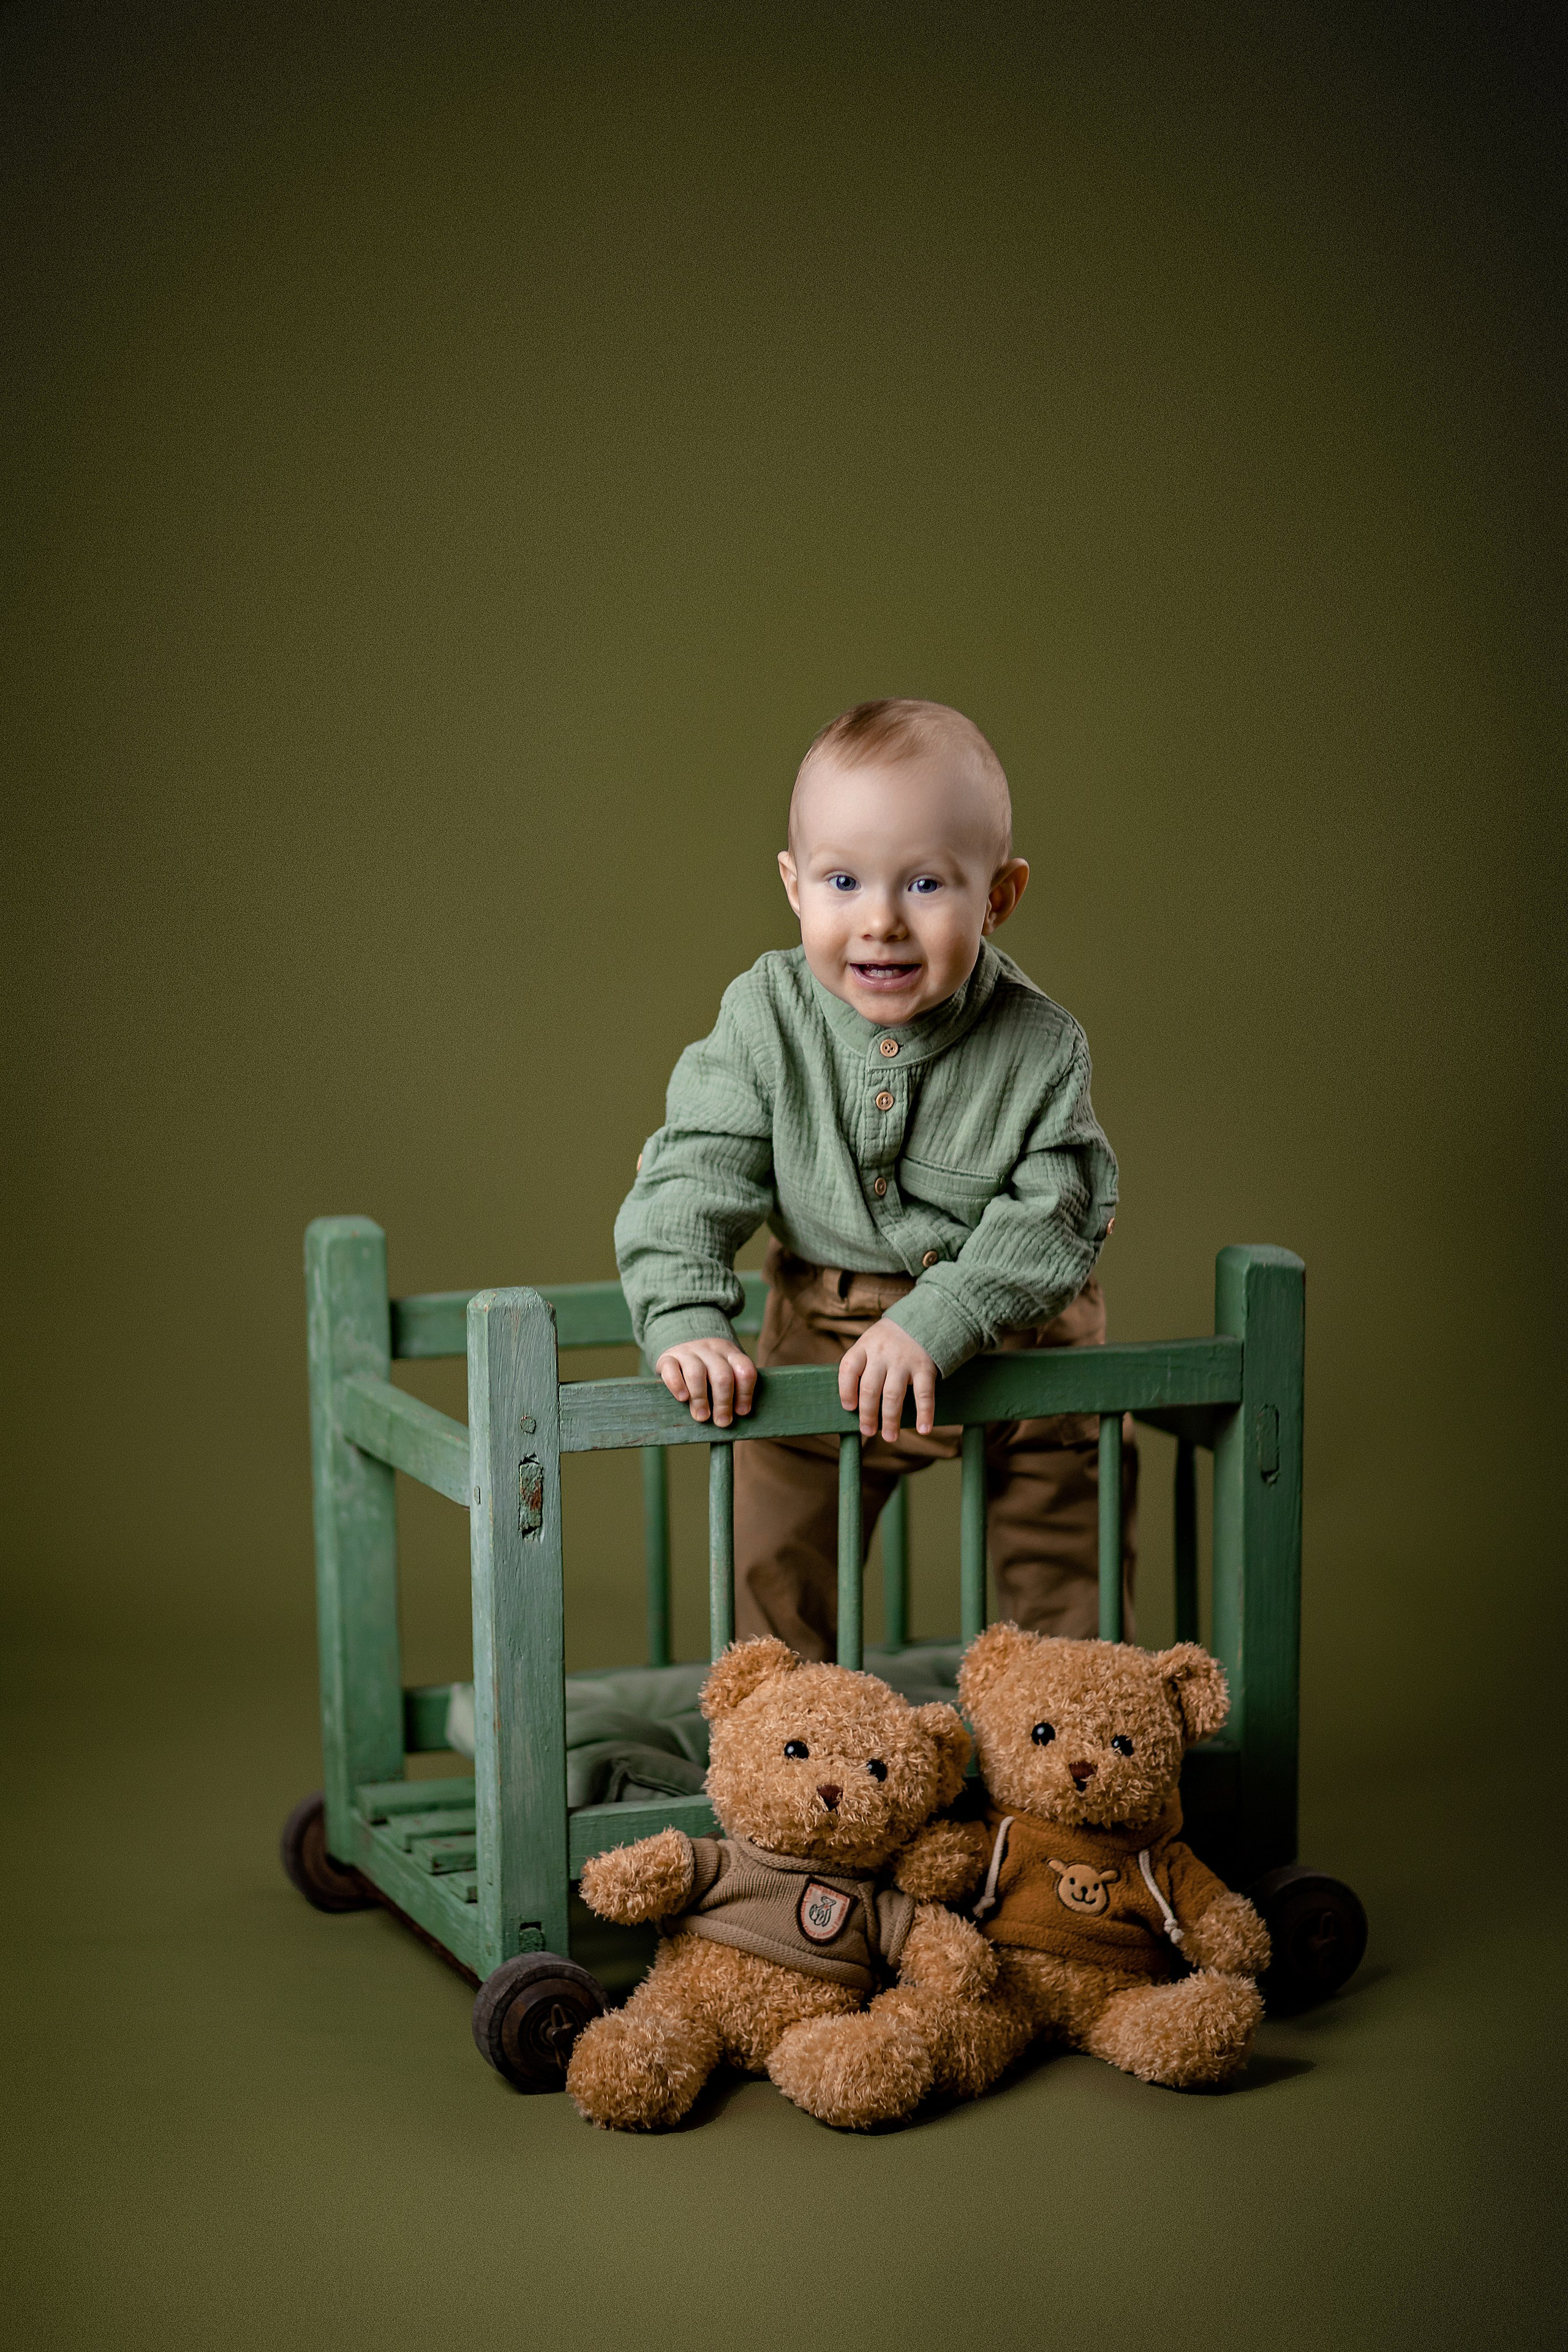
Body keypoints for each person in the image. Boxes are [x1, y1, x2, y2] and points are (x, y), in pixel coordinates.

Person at [614, 698, 1135, 1660]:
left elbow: (1055, 1217)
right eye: (844, 881)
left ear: (999, 896)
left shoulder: (1041, 1046)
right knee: (772, 1540)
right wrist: (685, 1314)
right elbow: (694, 1168)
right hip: (826, 1327)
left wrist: (939, 1319)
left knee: (1069, 1534)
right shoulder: (764, 1018)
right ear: (794, 887)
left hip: (1021, 1336)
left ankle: (1076, 1748)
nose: (882, 921)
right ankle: (790, 1738)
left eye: (928, 883)